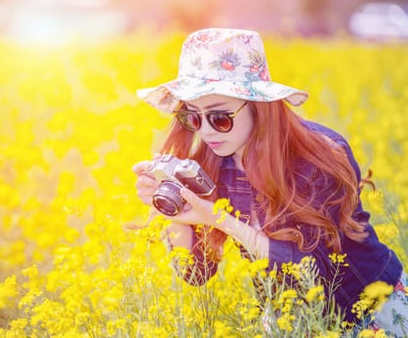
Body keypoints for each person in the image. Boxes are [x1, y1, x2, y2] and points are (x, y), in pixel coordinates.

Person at [132, 28, 407, 335]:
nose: (206, 132)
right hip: (295, 322)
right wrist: (175, 211)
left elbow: (313, 272)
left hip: (371, 310)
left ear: (259, 107)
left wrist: (221, 219)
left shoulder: (318, 157)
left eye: (220, 117)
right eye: (193, 117)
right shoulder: (210, 164)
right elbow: (196, 274)